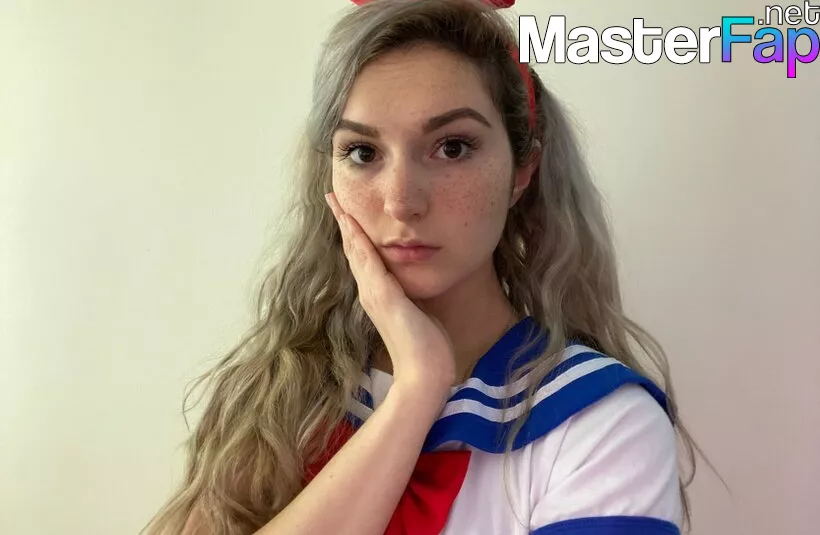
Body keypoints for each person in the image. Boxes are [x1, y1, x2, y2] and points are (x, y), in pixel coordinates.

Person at [141, 0, 697, 533]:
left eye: (452, 147)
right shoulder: (275, 392)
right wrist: (416, 389)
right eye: (362, 153)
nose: (401, 201)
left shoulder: (600, 423)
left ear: (522, 170)